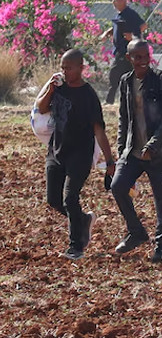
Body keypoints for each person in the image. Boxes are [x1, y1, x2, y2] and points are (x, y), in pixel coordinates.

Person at [35, 49, 115, 260]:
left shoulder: (88, 95)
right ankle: (83, 220)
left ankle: (75, 247)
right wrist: (50, 89)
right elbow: (42, 109)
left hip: (79, 153)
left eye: (68, 68)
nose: (64, 72)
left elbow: (99, 130)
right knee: (53, 200)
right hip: (56, 150)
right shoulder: (58, 89)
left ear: (81, 68)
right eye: (62, 68)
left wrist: (109, 160)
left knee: (70, 197)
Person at [109, 40, 162, 263]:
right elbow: (124, 117)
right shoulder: (126, 82)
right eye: (137, 57)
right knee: (118, 186)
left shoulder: (160, 81)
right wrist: (122, 149)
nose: (142, 61)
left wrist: (153, 145)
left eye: (145, 56)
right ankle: (136, 232)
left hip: (160, 154)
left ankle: (161, 248)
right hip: (133, 151)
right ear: (129, 58)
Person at [102, 0, 147, 104]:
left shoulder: (130, 14)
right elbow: (117, 26)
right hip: (120, 50)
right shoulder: (120, 14)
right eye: (113, 0)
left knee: (115, 74)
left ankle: (110, 100)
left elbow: (143, 25)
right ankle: (130, 100)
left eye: (116, 0)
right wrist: (107, 32)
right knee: (127, 76)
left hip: (126, 50)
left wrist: (133, 36)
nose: (114, 3)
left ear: (124, 1)